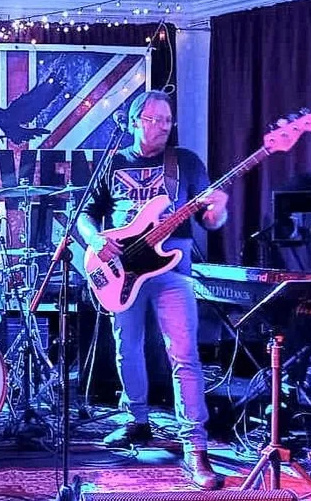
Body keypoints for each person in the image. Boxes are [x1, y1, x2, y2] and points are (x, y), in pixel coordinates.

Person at [77, 90, 227, 489]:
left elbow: (209, 220)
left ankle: (195, 444)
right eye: (153, 119)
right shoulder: (113, 162)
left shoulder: (186, 162)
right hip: (119, 269)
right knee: (126, 346)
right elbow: (85, 215)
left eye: (166, 120)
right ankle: (136, 420)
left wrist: (219, 209)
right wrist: (95, 240)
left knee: (184, 354)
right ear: (132, 122)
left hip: (172, 267)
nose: (162, 126)